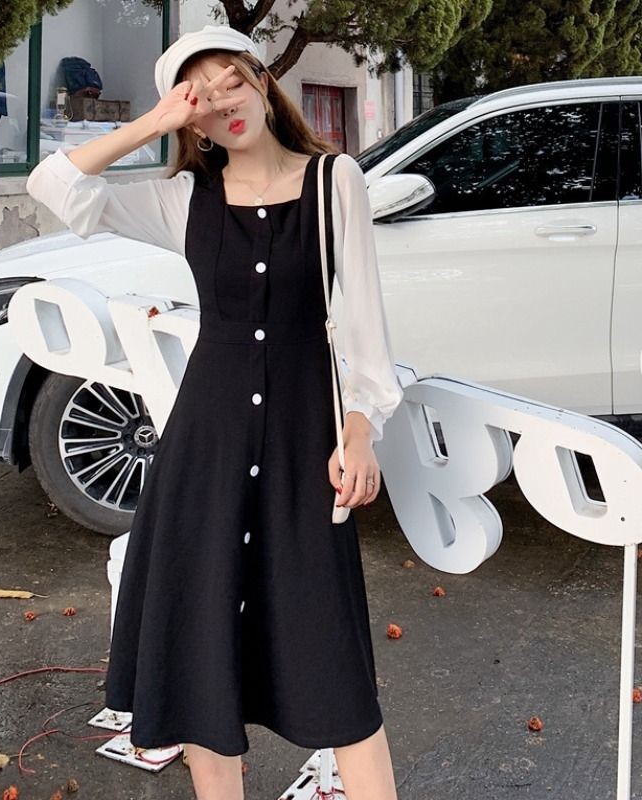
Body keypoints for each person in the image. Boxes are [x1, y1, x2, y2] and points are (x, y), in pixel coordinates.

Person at [26, 24, 403, 800]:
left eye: (233, 79)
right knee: (200, 659)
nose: (223, 101)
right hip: (205, 451)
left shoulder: (335, 180)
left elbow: (366, 332)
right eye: (200, 97)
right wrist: (155, 122)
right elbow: (55, 185)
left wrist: (360, 432)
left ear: (263, 83)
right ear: (189, 119)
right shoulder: (182, 199)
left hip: (302, 447)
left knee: (335, 663)